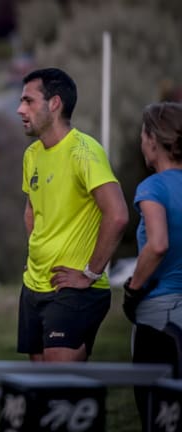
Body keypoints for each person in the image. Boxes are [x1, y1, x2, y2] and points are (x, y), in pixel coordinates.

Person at [16, 68, 128, 362]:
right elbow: (32, 210)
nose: (20, 109)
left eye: (28, 101)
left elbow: (117, 215)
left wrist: (90, 273)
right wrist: (38, 256)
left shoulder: (84, 152)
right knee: (38, 390)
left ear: (54, 104)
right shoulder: (32, 155)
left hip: (74, 289)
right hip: (34, 285)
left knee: (58, 383)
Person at [122, 102, 182, 428]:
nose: (141, 142)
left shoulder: (153, 187)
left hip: (162, 316)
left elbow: (157, 244)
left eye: (143, 135)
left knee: (156, 416)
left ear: (154, 140)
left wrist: (133, 290)